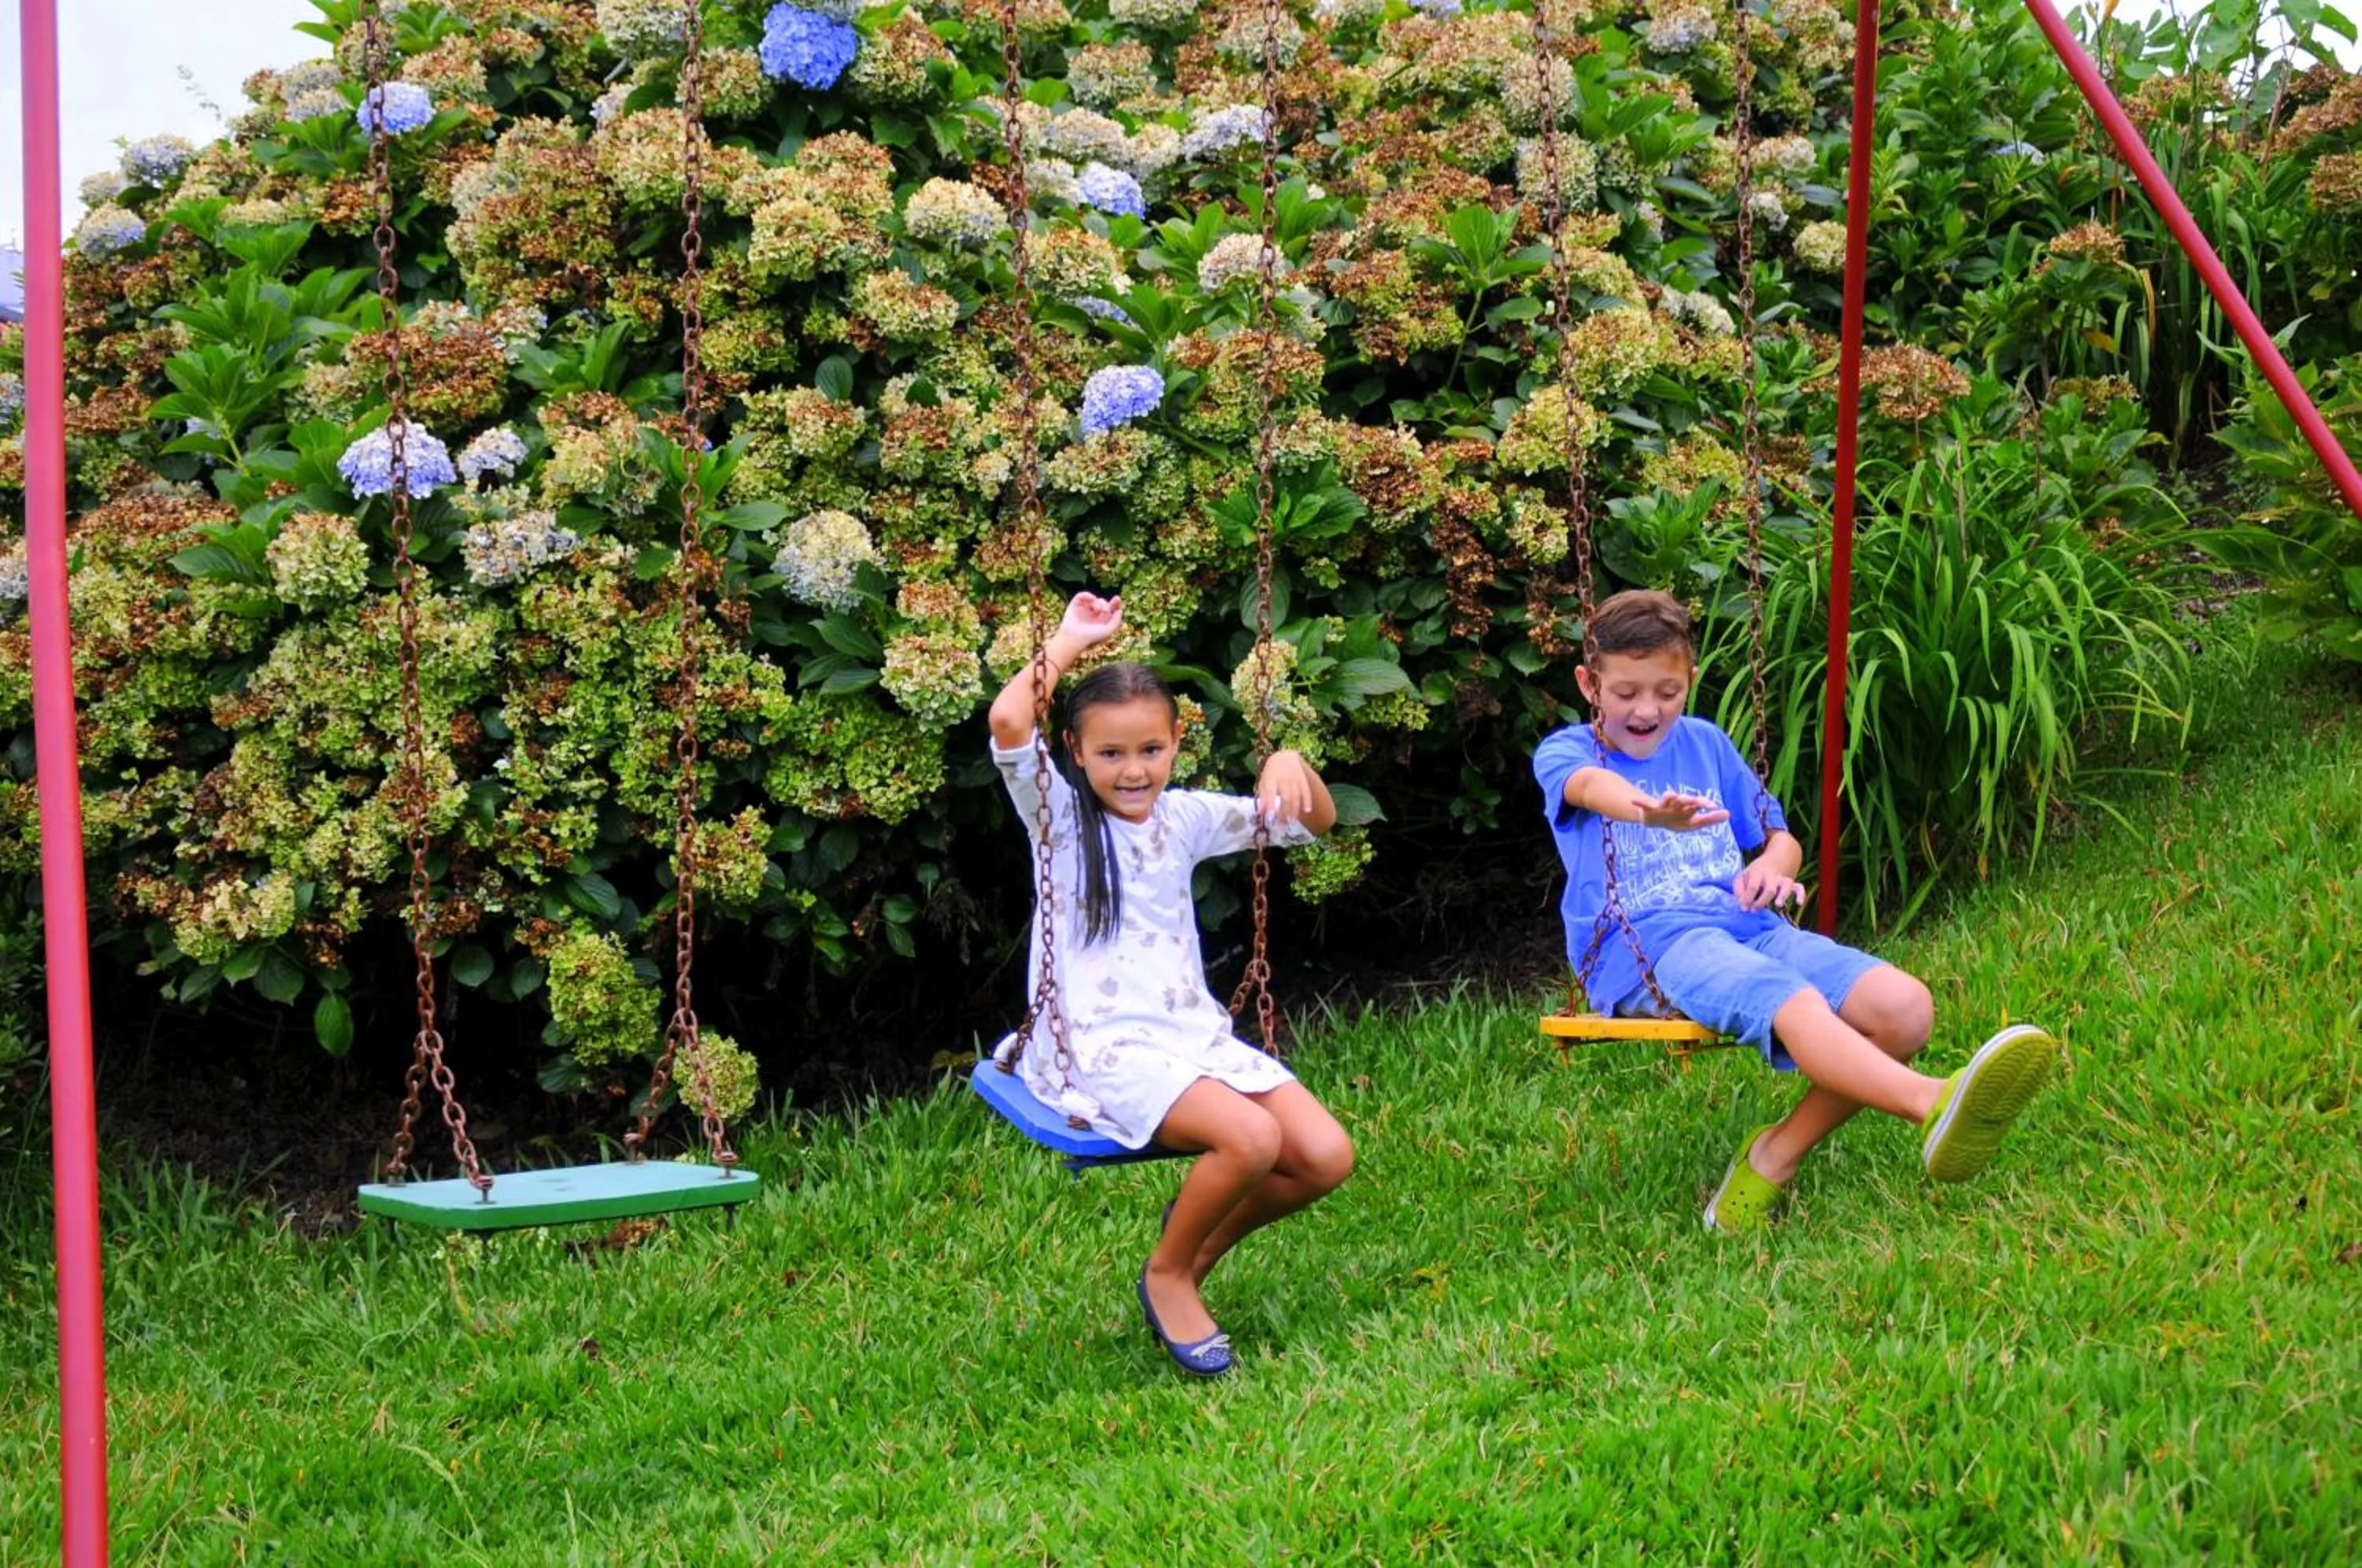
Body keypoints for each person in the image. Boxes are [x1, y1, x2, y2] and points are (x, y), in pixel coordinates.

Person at [1533, 589, 2057, 1233]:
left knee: (1904, 1010)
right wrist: (1648, 812)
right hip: (1652, 948)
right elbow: (1592, 788)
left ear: (1690, 678)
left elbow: (1780, 839)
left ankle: (1775, 1155)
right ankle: (1932, 1103)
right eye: (1626, 693)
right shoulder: (1567, 752)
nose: (1648, 710)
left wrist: (1771, 870)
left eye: (1668, 692)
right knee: (1790, 998)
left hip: (1746, 925)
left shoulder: (1706, 743)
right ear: (1589, 684)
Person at [987, 590, 1354, 1376]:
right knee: (1252, 1139)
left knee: (1324, 1156)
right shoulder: (1058, 819)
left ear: (1177, 742)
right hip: (1100, 1046)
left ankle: (1193, 1246)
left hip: (1188, 1036)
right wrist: (1070, 639)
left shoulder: (1182, 818)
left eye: (1150, 749)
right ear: (1076, 752)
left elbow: (1313, 822)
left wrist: (1291, 763)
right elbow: (1010, 721)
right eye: (1111, 754)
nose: (1133, 770)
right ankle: (1168, 1274)